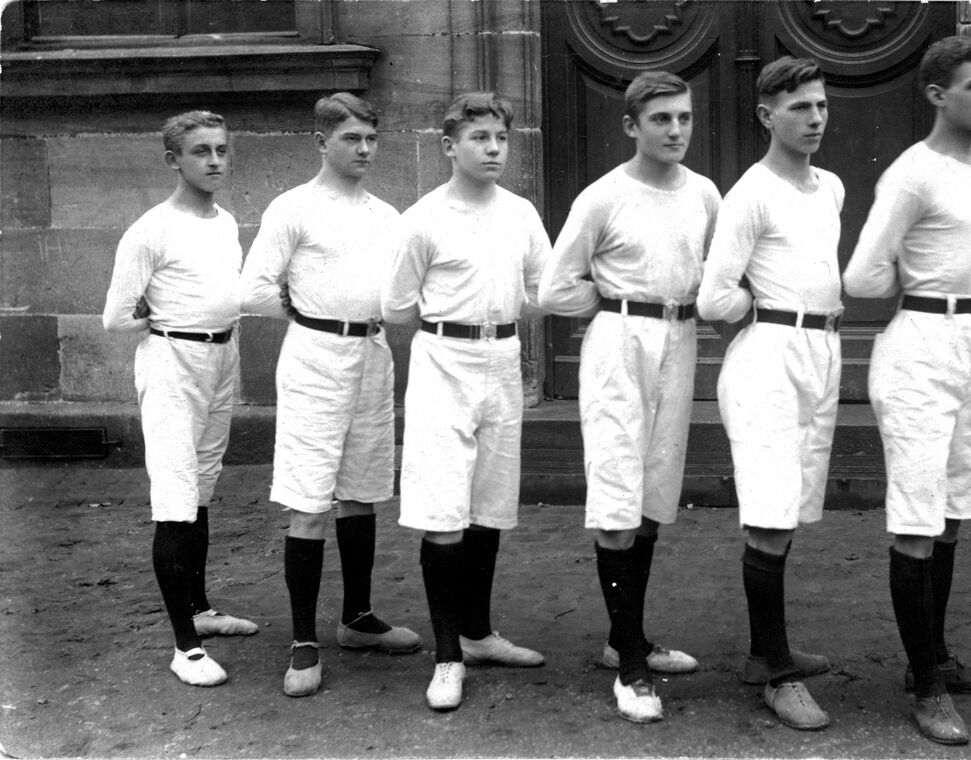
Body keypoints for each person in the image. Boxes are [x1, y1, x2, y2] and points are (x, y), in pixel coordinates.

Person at [843, 36, 971, 745]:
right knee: (917, 520)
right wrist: (917, 295)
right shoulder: (912, 174)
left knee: (952, 511)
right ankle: (927, 686)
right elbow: (862, 275)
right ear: (939, 95)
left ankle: (935, 658)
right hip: (920, 350)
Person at [538, 71, 720, 724]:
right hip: (620, 345)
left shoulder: (703, 193)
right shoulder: (603, 197)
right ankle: (631, 671)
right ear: (631, 125)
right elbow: (555, 288)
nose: (676, 130)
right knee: (617, 497)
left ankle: (627, 640)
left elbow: (716, 270)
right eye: (662, 119)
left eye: (684, 118)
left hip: (681, 341)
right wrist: (618, 304)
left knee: (651, 498)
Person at [240, 92, 421, 698]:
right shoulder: (292, 208)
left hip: (372, 353)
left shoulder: (387, 215)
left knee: (362, 491)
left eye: (371, 138)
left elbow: (400, 292)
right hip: (314, 359)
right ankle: (303, 640)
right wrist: (307, 314)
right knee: (310, 498)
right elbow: (253, 289)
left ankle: (357, 619)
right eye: (351, 138)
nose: (365, 149)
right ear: (322, 142)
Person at [382, 91, 550, 713]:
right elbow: (396, 306)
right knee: (443, 505)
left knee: (489, 502)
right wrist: (452, 325)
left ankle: (478, 636)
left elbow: (542, 287)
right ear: (449, 146)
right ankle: (447, 655)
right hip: (443, 362)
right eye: (480, 138)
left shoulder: (521, 213)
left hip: (502, 360)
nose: (493, 149)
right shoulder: (423, 218)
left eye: (501, 138)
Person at [697, 56, 841, 731]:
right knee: (770, 513)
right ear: (766, 115)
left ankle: (768, 650)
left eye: (820, 105)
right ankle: (776, 674)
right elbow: (712, 297)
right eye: (799, 107)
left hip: (821, 356)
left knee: (791, 506)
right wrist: (758, 305)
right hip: (768, 362)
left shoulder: (831, 187)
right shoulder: (750, 194)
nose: (814, 118)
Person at [102, 110, 258, 687]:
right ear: (174, 160)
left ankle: (200, 609)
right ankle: (185, 648)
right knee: (175, 497)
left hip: (222, 357)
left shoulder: (226, 222)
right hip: (173, 363)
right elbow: (116, 317)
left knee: (201, 489)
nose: (215, 160)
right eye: (200, 151)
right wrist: (162, 324)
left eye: (221, 149)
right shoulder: (150, 230)